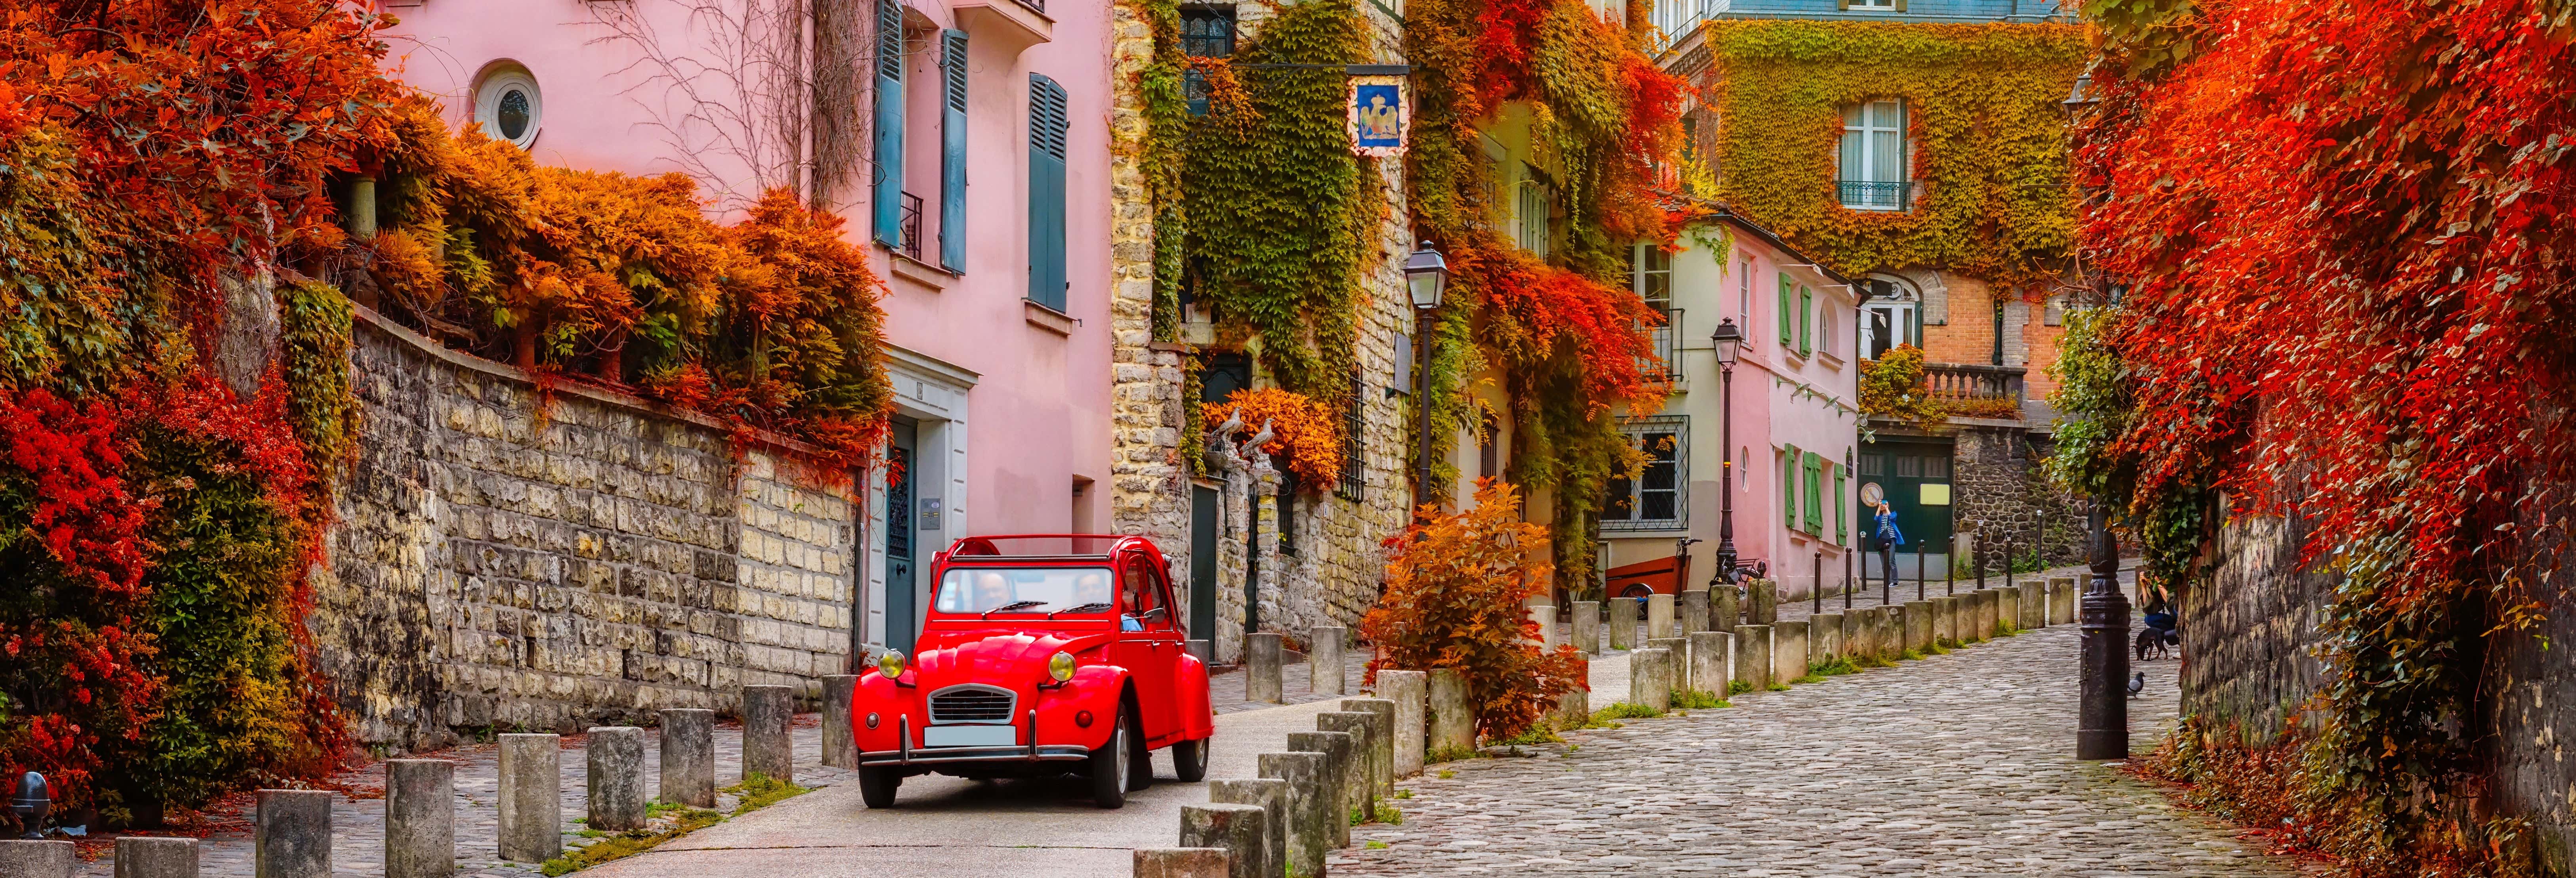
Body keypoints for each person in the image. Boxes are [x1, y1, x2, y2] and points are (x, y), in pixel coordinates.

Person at [1873, 501, 1905, 591]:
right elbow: (1876, 518)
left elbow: (1892, 518)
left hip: (1891, 539)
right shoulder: (1880, 517)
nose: (1883, 505)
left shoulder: (1893, 514)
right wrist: (1879, 507)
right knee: (1884, 564)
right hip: (1882, 540)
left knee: (1891, 560)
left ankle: (1894, 581)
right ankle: (1887, 581)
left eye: (1884, 504)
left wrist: (1887, 508)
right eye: (1882, 504)